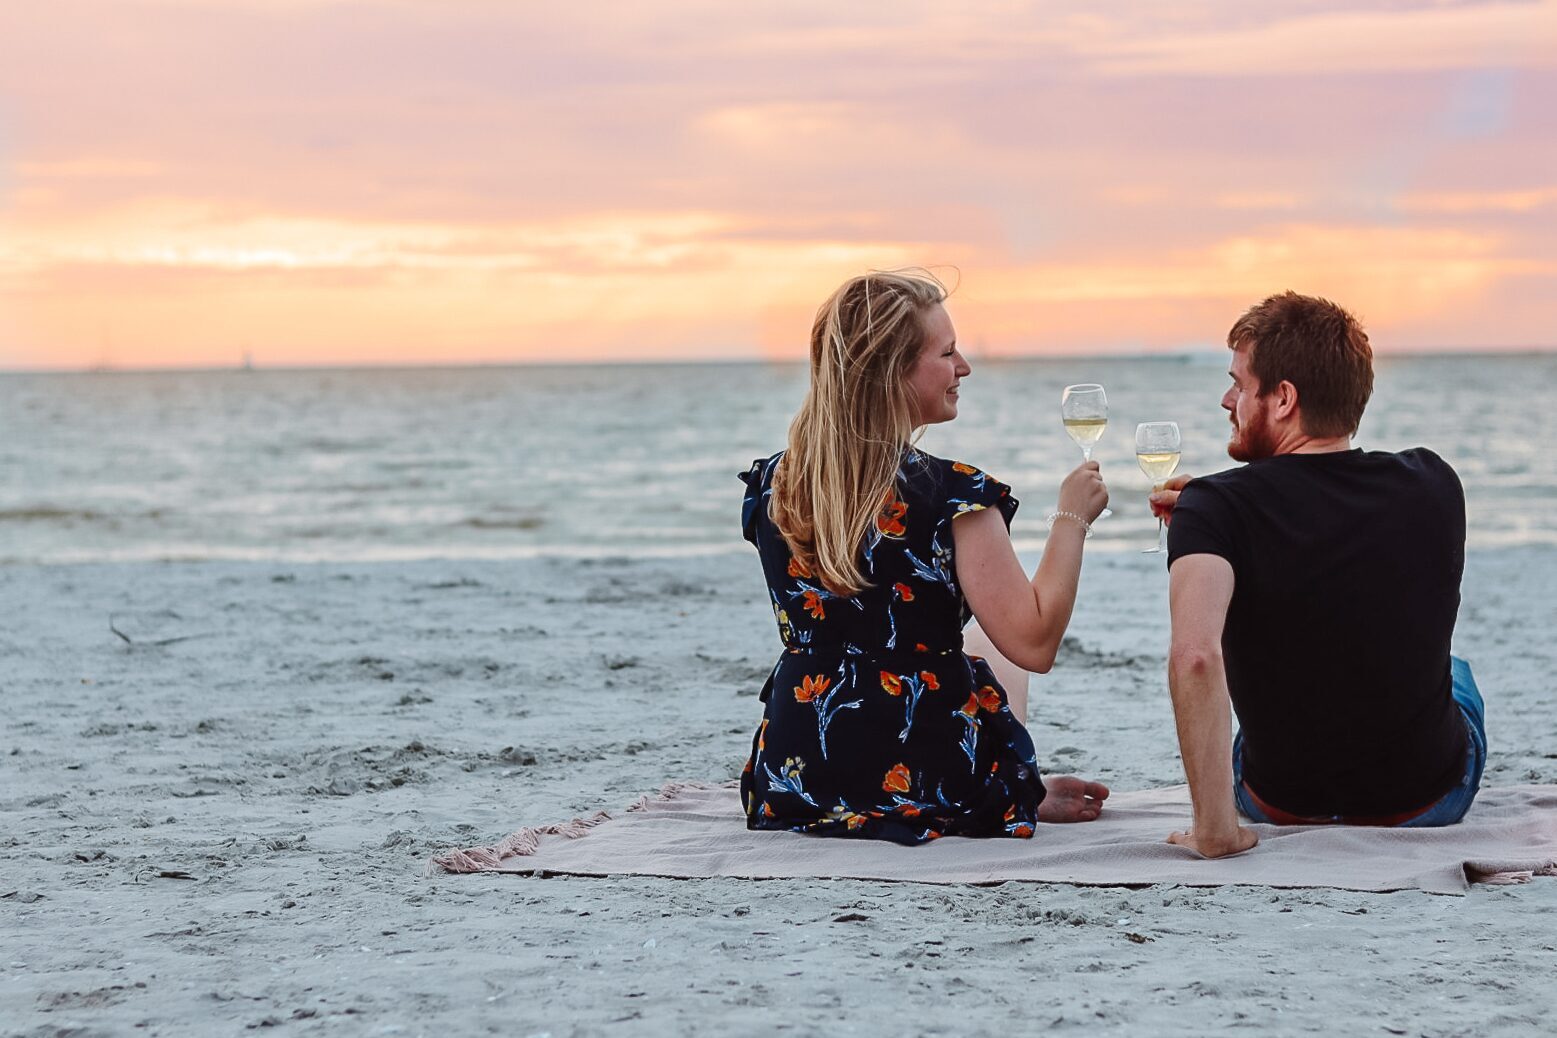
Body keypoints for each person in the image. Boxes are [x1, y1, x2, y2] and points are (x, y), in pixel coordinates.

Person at [738, 269, 1110, 844]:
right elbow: (1034, 643)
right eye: (948, 352)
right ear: (893, 373)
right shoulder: (955, 495)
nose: (964, 367)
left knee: (959, 645)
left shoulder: (772, 487)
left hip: (799, 770)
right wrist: (1072, 519)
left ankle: (1020, 785)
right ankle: (1012, 785)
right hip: (929, 772)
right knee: (990, 647)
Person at [1149, 291, 1487, 858]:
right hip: (1428, 800)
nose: (1226, 399)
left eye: (1238, 383)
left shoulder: (1217, 508)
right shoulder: (1434, 482)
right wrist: (1217, 507)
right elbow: (1330, 528)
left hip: (1280, 800)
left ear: (1283, 398)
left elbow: (1196, 657)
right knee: (1454, 670)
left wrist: (1216, 831)